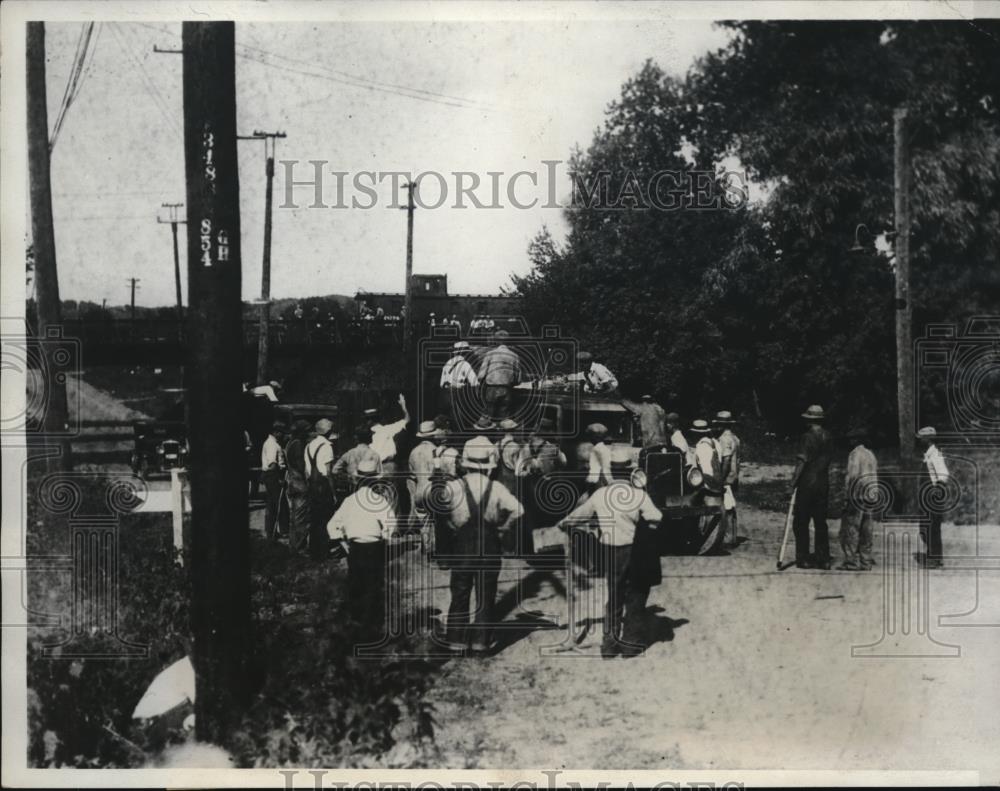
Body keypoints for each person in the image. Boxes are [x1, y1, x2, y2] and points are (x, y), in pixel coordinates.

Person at [558, 446, 663, 658]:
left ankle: (608, 646)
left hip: (609, 551)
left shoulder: (600, 494)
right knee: (635, 595)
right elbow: (656, 517)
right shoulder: (638, 495)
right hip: (633, 550)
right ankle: (631, 644)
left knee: (614, 596)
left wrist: (563, 523)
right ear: (630, 470)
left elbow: (578, 516)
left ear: (612, 472)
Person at [439, 436, 524, 654]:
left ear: (465, 461)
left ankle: (455, 641)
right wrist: (503, 528)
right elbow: (518, 510)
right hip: (489, 545)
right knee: (485, 595)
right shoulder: (496, 487)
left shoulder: (453, 486)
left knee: (459, 592)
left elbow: (439, 509)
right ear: (489, 462)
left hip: (462, 545)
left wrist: (451, 524)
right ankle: (480, 642)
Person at [327, 456, 396, 639]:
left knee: (356, 584)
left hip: (355, 548)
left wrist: (343, 543)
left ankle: (356, 623)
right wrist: (386, 539)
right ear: (375, 480)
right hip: (374, 547)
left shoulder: (349, 501)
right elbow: (391, 524)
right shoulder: (379, 500)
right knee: (374, 585)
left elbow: (332, 525)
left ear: (357, 479)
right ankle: (373, 624)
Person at [790, 404, 834, 570]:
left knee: (801, 522)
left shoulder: (807, 437)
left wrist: (792, 483)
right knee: (820, 522)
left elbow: (802, 461)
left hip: (808, 483)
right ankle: (823, 559)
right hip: (823, 483)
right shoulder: (828, 436)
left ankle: (804, 558)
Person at [839, 426, 878, 571]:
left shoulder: (854, 454)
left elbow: (853, 475)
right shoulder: (870, 454)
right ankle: (865, 561)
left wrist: (847, 494)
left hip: (857, 495)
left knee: (851, 528)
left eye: (851, 439)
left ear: (855, 440)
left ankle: (851, 562)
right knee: (866, 529)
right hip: (870, 494)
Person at [304, 418, 338, 560]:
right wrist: (333, 492)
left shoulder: (309, 446)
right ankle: (324, 552)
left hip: (312, 486)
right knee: (325, 519)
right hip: (323, 487)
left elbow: (307, 471)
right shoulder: (327, 446)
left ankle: (313, 551)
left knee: (314, 519)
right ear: (328, 431)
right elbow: (328, 472)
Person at [916, 426, 950, 569]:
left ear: (928, 439)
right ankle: (935, 556)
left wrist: (935, 494)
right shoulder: (928, 455)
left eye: (921, 439)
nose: (919, 441)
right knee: (926, 528)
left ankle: (934, 558)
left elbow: (943, 475)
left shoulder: (935, 455)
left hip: (932, 497)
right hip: (927, 496)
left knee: (931, 528)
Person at [477, 329, 521, 420]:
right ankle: (501, 433)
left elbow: (481, 375)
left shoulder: (490, 354)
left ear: (496, 341)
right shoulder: (514, 356)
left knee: (488, 417)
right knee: (504, 417)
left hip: (491, 389)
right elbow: (518, 379)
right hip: (507, 390)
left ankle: (488, 433)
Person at [283, 420, 313, 553]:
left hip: (292, 482)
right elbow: (301, 465)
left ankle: (293, 545)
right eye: (306, 431)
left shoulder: (290, 443)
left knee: (294, 516)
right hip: (299, 483)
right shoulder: (299, 444)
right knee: (301, 517)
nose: (308, 434)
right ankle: (299, 547)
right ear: (301, 432)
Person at [714, 411, 741, 543]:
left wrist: (720, 477)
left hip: (727, 477)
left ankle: (728, 537)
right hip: (734, 475)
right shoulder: (735, 437)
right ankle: (732, 535)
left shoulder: (724, 439)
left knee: (727, 506)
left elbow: (726, 459)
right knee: (731, 505)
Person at [369, 394, 411, 474]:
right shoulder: (387, 429)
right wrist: (403, 406)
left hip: (377, 467)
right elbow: (407, 419)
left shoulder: (366, 434)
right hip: (386, 466)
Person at [261, 422, 288, 542]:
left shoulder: (273, 443)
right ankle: (275, 532)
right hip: (273, 475)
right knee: (277, 505)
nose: (283, 435)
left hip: (272, 475)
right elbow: (272, 464)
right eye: (281, 432)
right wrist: (279, 478)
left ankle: (271, 531)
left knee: (273, 504)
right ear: (276, 432)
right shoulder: (272, 445)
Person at [439, 340, 479, 416]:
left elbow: (441, 383)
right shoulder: (465, 364)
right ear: (465, 353)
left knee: (447, 416)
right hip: (458, 394)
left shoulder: (448, 363)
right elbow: (474, 382)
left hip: (445, 393)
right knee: (458, 417)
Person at [690, 419, 725, 494]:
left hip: (707, 485)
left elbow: (706, 469)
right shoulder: (715, 443)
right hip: (718, 480)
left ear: (696, 434)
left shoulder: (701, 447)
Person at [585, 423, 613, 492]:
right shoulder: (603, 449)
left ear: (597, 437)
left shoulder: (597, 450)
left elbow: (600, 470)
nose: (589, 439)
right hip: (601, 481)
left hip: (598, 483)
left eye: (591, 436)